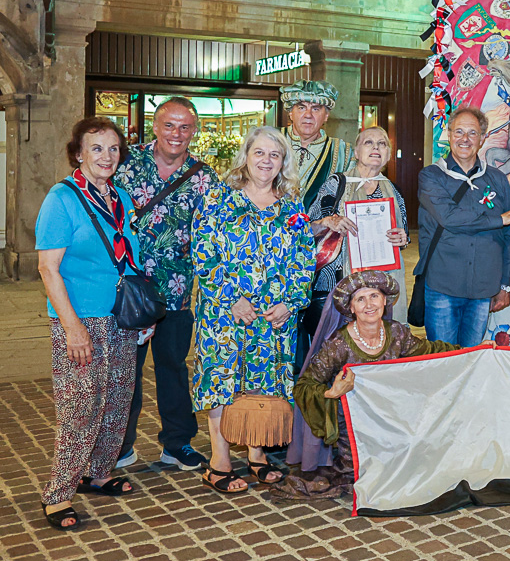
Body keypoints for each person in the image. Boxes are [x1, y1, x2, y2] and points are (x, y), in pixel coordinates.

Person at [191, 126, 315, 494]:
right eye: (259, 153)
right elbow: (203, 254)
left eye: (274, 155)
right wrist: (232, 297)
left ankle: (257, 455)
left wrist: (289, 301)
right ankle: (219, 461)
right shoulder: (217, 199)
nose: (266, 161)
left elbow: (304, 258)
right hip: (225, 314)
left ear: (283, 162)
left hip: (273, 317)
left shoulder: (291, 205)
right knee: (222, 382)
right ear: (245, 156)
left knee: (265, 383)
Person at [35, 118, 143, 529]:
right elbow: (48, 268)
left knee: (117, 400)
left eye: (113, 148)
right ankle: (59, 492)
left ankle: (98, 473)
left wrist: (140, 313)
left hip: (120, 314)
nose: (106, 156)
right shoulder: (61, 199)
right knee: (79, 407)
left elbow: (126, 255)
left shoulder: (120, 198)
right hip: (80, 317)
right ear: (78, 153)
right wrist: (72, 327)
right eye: (96, 148)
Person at [278, 271, 461, 499]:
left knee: (417, 463)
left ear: (385, 300)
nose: (369, 305)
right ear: (351, 308)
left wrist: (473, 350)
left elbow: (431, 351)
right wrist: (331, 392)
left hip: (393, 420)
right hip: (356, 430)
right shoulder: (338, 345)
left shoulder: (396, 333)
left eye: (374, 296)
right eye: (360, 299)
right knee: (368, 475)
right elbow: (304, 386)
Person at [113, 97, 220, 472]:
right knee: (126, 369)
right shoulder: (126, 164)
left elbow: (215, 231)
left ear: (194, 131)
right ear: (156, 127)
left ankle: (177, 444)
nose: (177, 134)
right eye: (170, 125)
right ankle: (119, 446)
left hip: (177, 292)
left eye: (185, 127)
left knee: (173, 368)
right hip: (128, 289)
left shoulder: (205, 176)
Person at [416, 107, 510, 347]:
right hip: (443, 284)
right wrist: (498, 218)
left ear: (483, 138)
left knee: (472, 358)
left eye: (472, 133)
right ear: (449, 134)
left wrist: (505, 283)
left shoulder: (497, 179)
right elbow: (450, 218)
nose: (465, 139)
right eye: (459, 132)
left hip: (483, 288)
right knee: (443, 359)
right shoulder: (431, 177)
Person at [308, 126, 410, 358]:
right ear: (355, 151)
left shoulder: (394, 190)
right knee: (340, 348)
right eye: (369, 143)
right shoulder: (337, 183)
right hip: (340, 281)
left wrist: (402, 238)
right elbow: (308, 222)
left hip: (381, 283)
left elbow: (404, 236)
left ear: (388, 153)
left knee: (379, 346)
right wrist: (330, 221)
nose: (376, 147)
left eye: (382, 144)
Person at [280, 80, 354, 211]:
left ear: (326, 115)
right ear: (290, 113)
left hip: (320, 230)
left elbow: (354, 198)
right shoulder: (270, 141)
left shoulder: (344, 153)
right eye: (301, 108)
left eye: (316, 109)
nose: (308, 115)